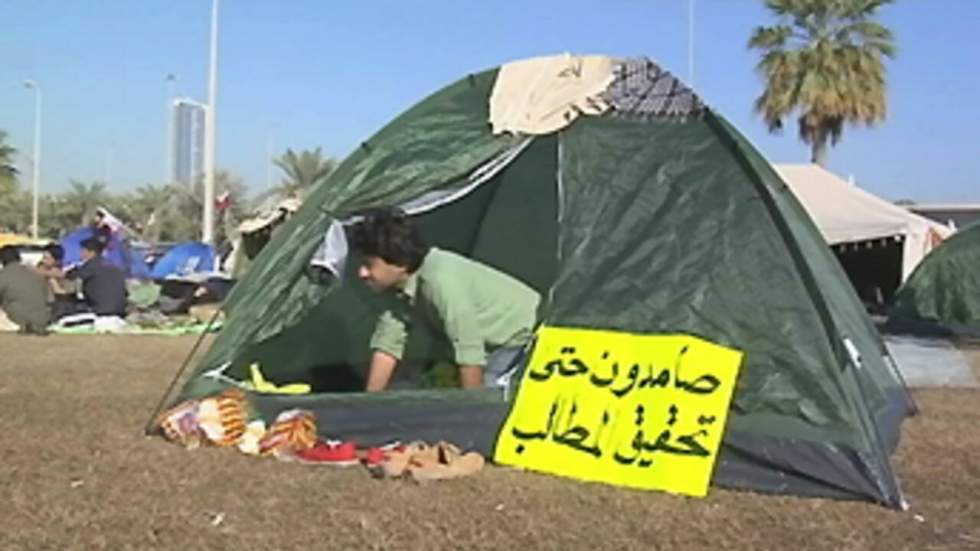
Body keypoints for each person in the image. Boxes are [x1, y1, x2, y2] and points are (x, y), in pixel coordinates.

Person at [349, 208, 541, 392]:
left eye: (369, 265)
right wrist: (368, 400)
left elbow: (469, 351)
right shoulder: (398, 288)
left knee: (492, 396)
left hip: (521, 342)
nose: (362, 273)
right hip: (482, 351)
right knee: (423, 389)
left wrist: (472, 411)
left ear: (400, 263)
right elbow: (388, 343)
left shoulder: (440, 280)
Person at [65, 237, 128, 317]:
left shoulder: (91, 265)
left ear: (91, 252)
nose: (81, 253)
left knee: (68, 306)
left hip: (100, 310)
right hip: (120, 309)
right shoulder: (113, 265)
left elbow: (71, 276)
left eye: (82, 250)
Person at [0, 246, 51, 334]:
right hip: (42, 319)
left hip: (15, 320)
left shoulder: (3, 275)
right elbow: (49, 299)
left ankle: (24, 324)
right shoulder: (36, 274)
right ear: (19, 258)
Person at [33, 243, 79, 320]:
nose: (43, 260)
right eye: (43, 257)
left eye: (46, 258)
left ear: (56, 260)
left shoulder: (63, 271)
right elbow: (57, 290)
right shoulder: (42, 269)